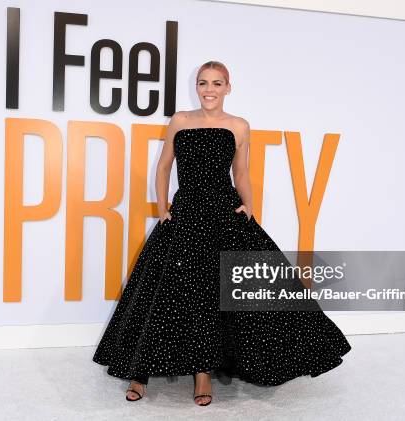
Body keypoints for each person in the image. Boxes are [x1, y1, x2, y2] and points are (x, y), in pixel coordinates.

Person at [92, 60, 351, 406]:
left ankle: (204, 374)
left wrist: (250, 205)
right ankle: (140, 372)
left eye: (217, 83)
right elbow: (164, 165)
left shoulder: (239, 126)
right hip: (184, 214)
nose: (209, 89)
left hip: (222, 213)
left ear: (228, 87)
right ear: (196, 87)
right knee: (165, 293)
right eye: (203, 83)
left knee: (219, 292)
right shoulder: (180, 120)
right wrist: (163, 208)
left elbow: (241, 173)